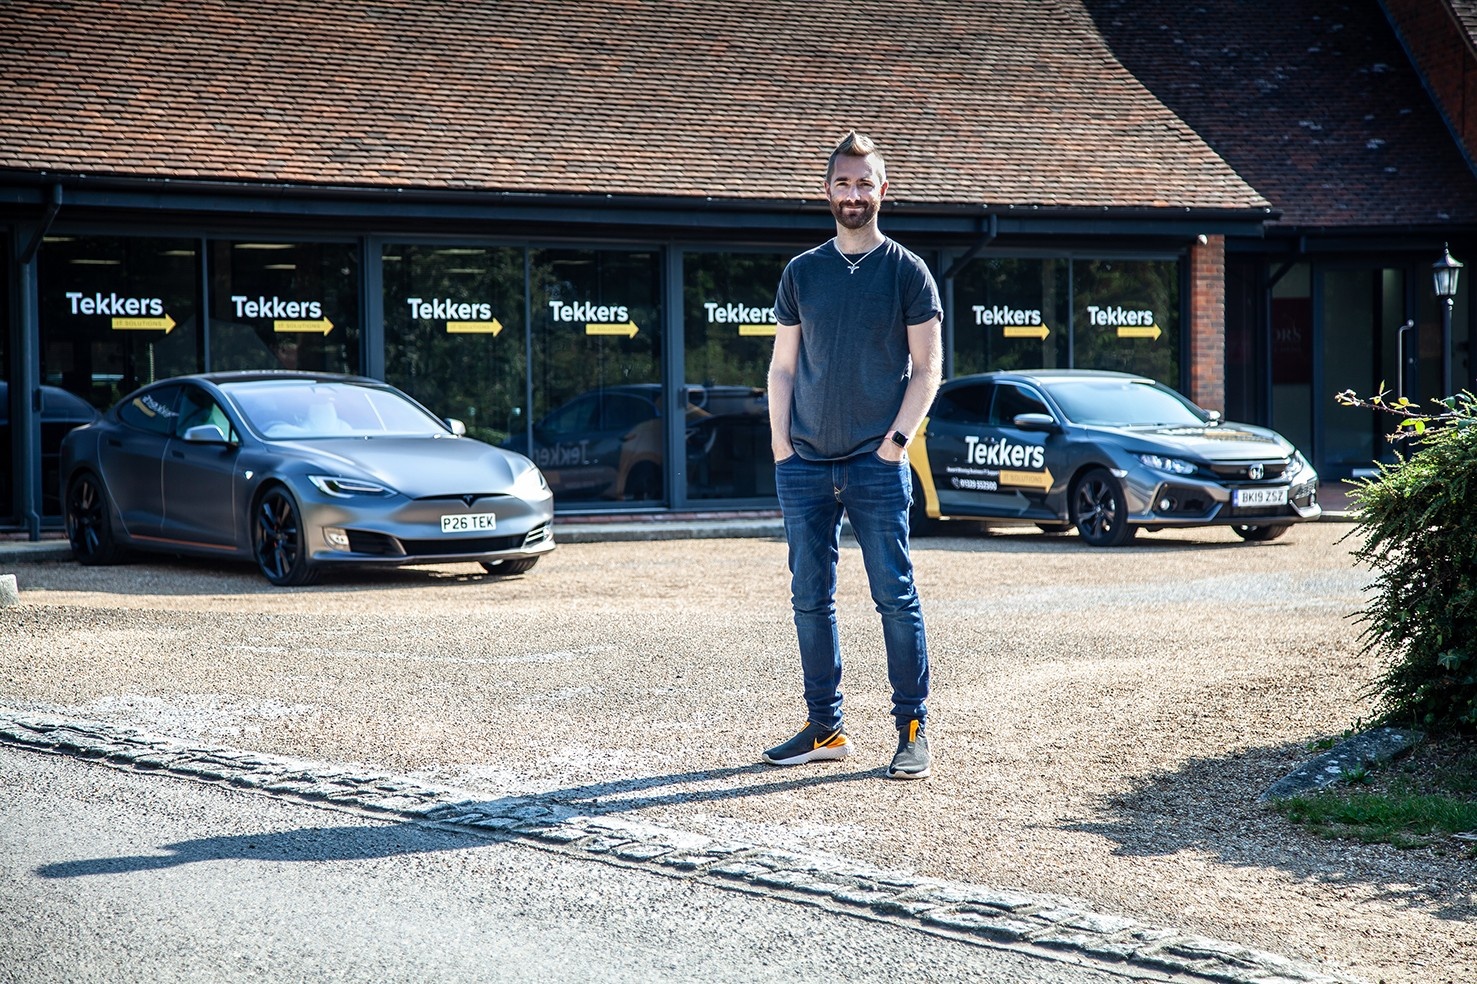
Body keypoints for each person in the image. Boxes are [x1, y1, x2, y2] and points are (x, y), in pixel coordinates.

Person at [762, 131, 943, 780]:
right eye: (843, 182)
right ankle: (825, 728)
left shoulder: (907, 272)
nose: (854, 193)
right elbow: (783, 367)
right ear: (827, 191)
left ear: (882, 190)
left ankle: (912, 730)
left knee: (894, 596)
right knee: (809, 600)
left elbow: (928, 368)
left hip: (875, 464)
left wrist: (895, 445)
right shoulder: (801, 272)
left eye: (865, 183)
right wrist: (781, 447)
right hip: (804, 465)